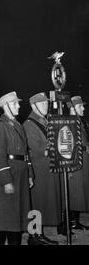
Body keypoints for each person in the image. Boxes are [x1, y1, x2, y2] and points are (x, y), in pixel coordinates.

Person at [0, 91, 34, 245]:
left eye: (18, 103)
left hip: (20, 175)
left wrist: (29, 174)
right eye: (15, 103)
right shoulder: (0, 127)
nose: (19, 106)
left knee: (17, 217)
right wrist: (6, 181)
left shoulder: (17, 125)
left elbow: (25, 152)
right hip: (9, 175)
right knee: (6, 217)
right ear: (6, 106)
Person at [23, 92, 60, 245]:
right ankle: (34, 237)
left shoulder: (44, 121)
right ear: (34, 106)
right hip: (38, 169)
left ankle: (39, 234)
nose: (47, 106)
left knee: (43, 203)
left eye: (47, 103)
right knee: (36, 203)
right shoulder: (29, 124)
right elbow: (38, 149)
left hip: (46, 169)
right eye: (43, 103)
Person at [65, 96, 89, 232]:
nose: (84, 108)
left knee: (79, 192)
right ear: (73, 108)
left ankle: (75, 221)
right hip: (75, 161)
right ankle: (71, 222)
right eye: (81, 106)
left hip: (82, 160)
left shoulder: (79, 121)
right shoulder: (70, 123)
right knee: (74, 192)